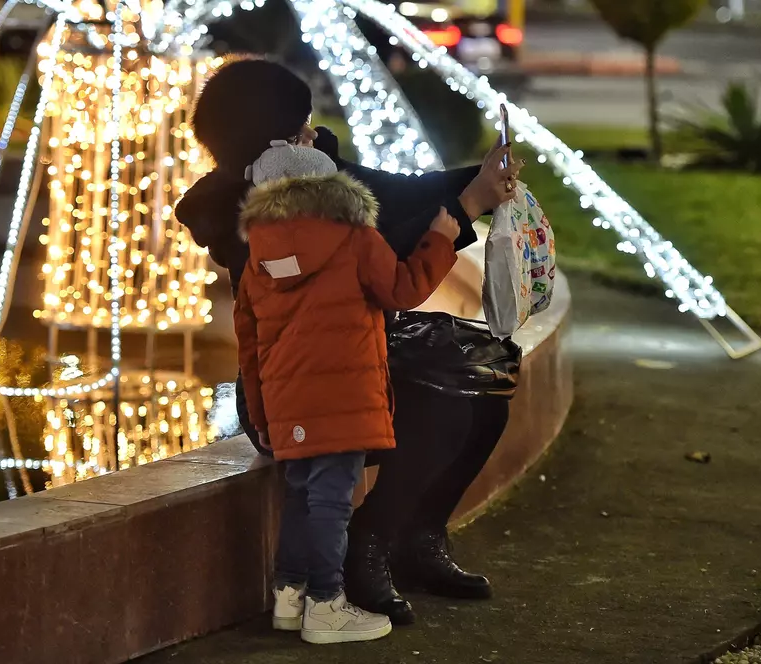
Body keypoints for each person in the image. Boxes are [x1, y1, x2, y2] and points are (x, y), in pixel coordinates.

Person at [176, 57, 524, 626]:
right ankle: (364, 548)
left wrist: (476, 180)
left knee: (484, 388)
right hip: (302, 391)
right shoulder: (244, 214)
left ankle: (418, 539)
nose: (314, 134)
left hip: (344, 363)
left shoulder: (311, 177)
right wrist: (464, 208)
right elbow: (385, 256)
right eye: (301, 127)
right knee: (444, 410)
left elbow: (402, 195)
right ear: (278, 141)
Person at [235, 138, 462, 644]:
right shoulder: (355, 239)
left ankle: (290, 599)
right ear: (330, 189)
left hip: (287, 404)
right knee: (333, 505)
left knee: (302, 499)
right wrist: (440, 239)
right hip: (344, 400)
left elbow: (248, 348)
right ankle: (326, 605)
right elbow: (402, 289)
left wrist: (262, 416)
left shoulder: (257, 260)